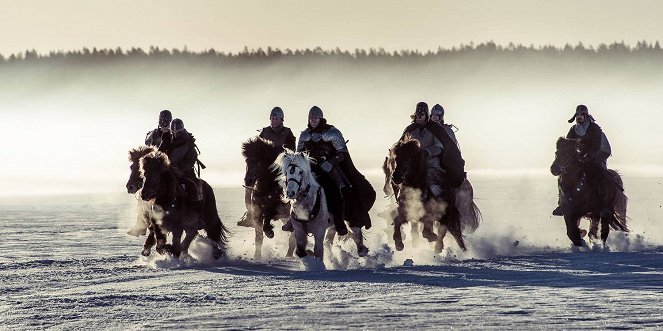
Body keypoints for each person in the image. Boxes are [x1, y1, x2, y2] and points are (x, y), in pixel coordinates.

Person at [297, 106, 375, 235]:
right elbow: (299, 154)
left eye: (315, 118)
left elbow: (342, 153)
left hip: (330, 169)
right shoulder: (304, 135)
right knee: (295, 187)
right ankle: (294, 220)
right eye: (311, 118)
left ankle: (340, 222)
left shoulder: (332, 132)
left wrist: (330, 162)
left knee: (339, 190)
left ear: (320, 119)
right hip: (311, 169)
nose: (313, 121)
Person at [239, 107, 297, 227]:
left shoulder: (287, 132)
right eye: (272, 118)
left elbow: (292, 151)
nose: (274, 120)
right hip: (265, 167)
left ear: (282, 119)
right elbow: (257, 148)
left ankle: (293, 213)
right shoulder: (264, 132)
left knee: (291, 183)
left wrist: (280, 154)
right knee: (249, 186)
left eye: (276, 118)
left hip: (280, 167)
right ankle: (250, 214)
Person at [552, 104, 612, 216]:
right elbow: (568, 144)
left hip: (596, 158)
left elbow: (596, 146)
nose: (579, 117)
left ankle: (604, 205)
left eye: (581, 115)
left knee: (600, 176)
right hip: (580, 159)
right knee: (564, 176)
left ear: (585, 115)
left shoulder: (595, 129)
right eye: (577, 115)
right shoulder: (573, 129)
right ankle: (562, 203)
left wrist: (588, 157)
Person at [168, 118, 202, 202]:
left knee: (191, 186)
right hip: (169, 172)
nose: (175, 134)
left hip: (185, 173)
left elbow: (190, 161)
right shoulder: (167, 141)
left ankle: (194, 208)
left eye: (178, 132)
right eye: (173, 132)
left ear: (182, 131)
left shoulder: (189, 143)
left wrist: (179, 168)